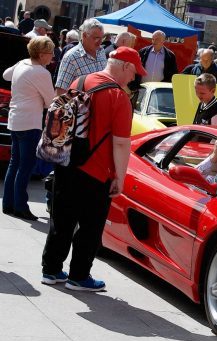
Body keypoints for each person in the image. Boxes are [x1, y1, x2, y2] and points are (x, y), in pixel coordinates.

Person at [41, 46, 147, 291]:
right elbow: (121, 143)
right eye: (133, 72)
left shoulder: (80, 81)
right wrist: (120, 177)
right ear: (123, 65)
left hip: (66, 162)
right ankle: (79, 276)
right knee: (90, 226)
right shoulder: (119, 98)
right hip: (96, 172)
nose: (134, 77)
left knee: (61, 219)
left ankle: (51, 270)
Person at [2, 36, 56, 220]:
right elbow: (51, 102)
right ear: (41, 54)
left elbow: (6, 75)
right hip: (29, 122)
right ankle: (20, 206)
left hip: (16, 120)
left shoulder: (22, 65)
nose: (53, 56)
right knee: (25, 166)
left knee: (15, 163)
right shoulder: (41, 72)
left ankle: (8, 204)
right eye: (50, 53)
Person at [55, 18, 107, 95]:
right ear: (84, 35)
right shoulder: (71, 57)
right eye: (96, 38)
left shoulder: (101, 51)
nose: (100, 42)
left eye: (101, 38)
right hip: (81, 106)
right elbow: (61, 90)